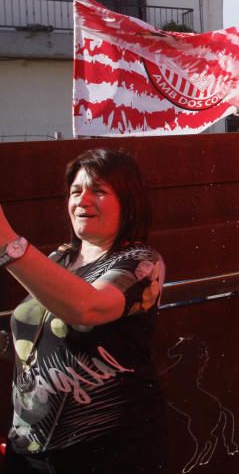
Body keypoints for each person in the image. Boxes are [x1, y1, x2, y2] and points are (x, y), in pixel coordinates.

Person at [0, 148, 167, 473]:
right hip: (30, 450)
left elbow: (87, 308)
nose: (83, 200)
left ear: (129, 202)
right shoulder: (60, 258)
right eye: (76, 191)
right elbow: (37, 346)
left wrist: (7, 242)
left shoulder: (142, 263)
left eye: (99, 191)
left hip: (108, 452)